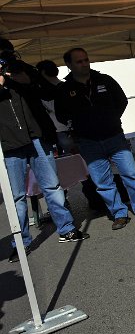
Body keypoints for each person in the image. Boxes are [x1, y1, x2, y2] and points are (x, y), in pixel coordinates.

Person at [1, 39, 89, 262]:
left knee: (51, 185)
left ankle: (67, 228)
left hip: (37, 136)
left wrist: (27, 79)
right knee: (16, 196)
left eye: (7, 55)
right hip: (9, 144)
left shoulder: (25, 70)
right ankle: (20, 243)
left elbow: (50, 91)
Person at [55, 48, 135, 230]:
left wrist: (110, 118)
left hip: (115, 136)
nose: (84, 63)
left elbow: (122, 101)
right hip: (88, 142)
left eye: (86, 59)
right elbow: (61, 115)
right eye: (79, 61)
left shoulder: (105, 80)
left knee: (131, 174)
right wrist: (80, 124)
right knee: (103, 182)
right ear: (69, 65)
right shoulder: (64, 89)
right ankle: (119, 213)